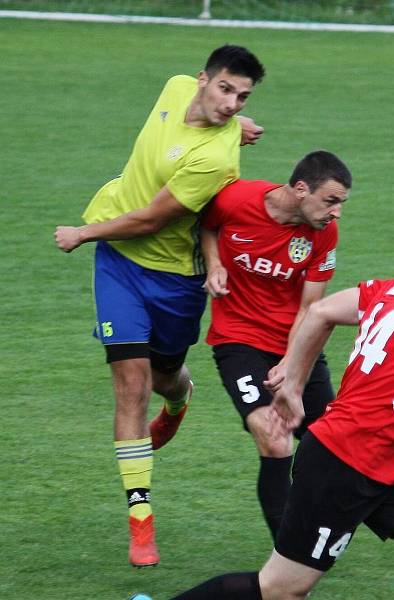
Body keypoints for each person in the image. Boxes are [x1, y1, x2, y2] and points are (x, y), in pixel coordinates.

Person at [171, 195, 394, 600]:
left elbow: (321, 313)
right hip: (345, 462)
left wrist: (295, 383)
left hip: (380, 461)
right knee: (281, 589)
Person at [52, 45, 266, 567]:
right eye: (226, 89)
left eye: (244, 97)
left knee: (165, 376)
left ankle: (180, 397)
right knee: (131, 385)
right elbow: (196, 122)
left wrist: (81, 232)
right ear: (201, 80)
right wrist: (238, 123)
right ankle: (141, 520)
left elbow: (149, 220)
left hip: (173, 278)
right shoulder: (173, 87)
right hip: (118, 265)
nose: (233, 102)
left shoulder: (214, 160)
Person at [201, 150, 351, 542]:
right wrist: (214, 263)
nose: (336, 213)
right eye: (330, 201)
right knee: (273, 436)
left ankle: (323, 526)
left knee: (332, 446)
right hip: (239, 341)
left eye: (341, 204)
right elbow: (208, 225)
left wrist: (291, 364)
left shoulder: (324, 233)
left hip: (297, 345)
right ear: (301, 189)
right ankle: (289, 556)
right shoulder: (236, 199)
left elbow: (310, 307)